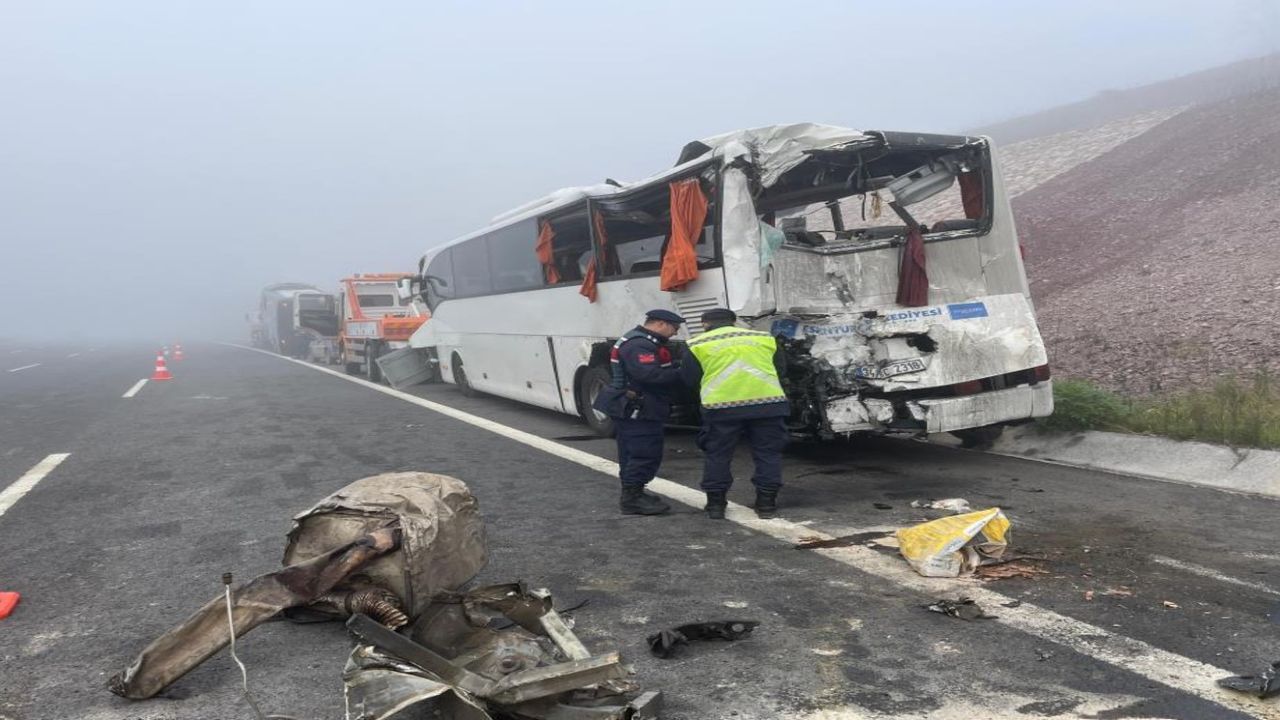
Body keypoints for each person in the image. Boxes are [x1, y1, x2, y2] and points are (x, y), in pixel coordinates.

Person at [682, 308, 789, 520]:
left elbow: (689, 379)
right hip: (768, 405)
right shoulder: (764, 338)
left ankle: (716, 505)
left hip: (721, 407)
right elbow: (781, 369)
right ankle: (766, 504)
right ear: (734, 322)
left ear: (704, 323)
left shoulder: (698, 344)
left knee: (718, 455)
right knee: (768, 454)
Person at [592, 309, 686, 515]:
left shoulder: (641, 340)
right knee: (644, 452)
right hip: (638, 408)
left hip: (635, 406)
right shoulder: (639, 345)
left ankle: (633, 493)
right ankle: (632, 498)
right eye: (674, 328)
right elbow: (649, 375)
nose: (675, 333)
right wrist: (682, 372)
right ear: (661, 324)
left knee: (632, 451)